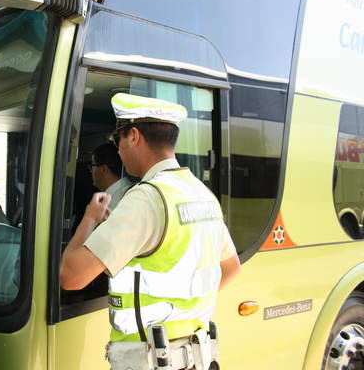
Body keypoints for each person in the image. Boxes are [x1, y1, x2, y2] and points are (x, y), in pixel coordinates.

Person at [60, 93, 241, 370]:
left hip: (150, 360)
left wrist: (89, 218)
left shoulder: (147, 198)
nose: (118, 150)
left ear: (133, 136)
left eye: (117, 139)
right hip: (197, 356)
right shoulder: (201, 194)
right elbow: (230, 267)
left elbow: (71, 277)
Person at [90, 143, 133, 210]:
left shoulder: (119, 199)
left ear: (103, 169)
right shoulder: (127, 191)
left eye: (92, 165)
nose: (90, 170)